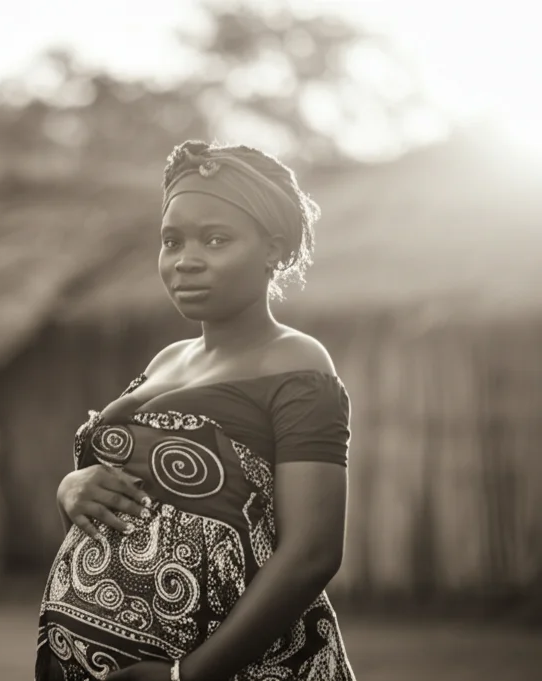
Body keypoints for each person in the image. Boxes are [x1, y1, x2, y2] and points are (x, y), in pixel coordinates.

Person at [35, 141, 356, 681]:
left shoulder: (296, 362)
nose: (185, 259)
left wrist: (188, 675)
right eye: (171, 240)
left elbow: (313, 552)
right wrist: (69, 490)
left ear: (273, 249)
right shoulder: (166, 360)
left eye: (216, 239)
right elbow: (135, 502)